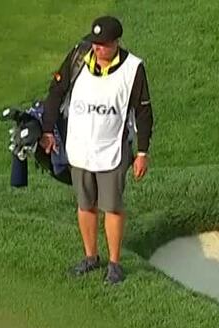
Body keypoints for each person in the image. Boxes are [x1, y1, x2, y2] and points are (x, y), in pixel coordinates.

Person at [39, 14, 154, 285]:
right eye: (95, 43)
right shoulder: (79, 56)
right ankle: (91, 258)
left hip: (112, 149)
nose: (97, 48)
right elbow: (56, 91)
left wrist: (142, 152)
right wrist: (47, 129)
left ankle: (114, 264)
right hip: (79, 148)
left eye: (102, 44)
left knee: (112, 207)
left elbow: (144, 112)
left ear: (116, 43)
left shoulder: (133, 69)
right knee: (85, 204)